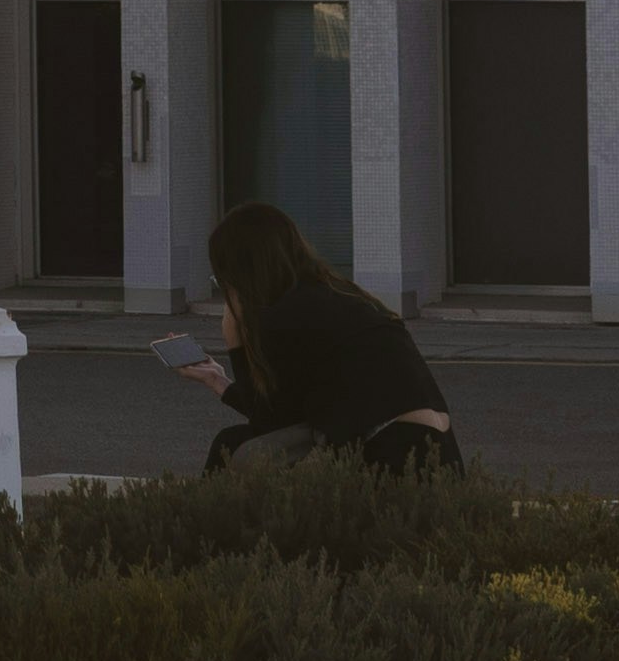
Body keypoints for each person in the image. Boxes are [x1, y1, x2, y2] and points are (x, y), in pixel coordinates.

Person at [177, 201, 461, 476]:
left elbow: (268, 424)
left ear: (238, 276)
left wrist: (235, 340)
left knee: (231, 448)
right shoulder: (342, 294)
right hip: (441, 457)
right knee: (235, 442)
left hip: (389, 459)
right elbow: (286, 408)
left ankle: (200, 522)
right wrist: (220, 382)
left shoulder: (282, 316)